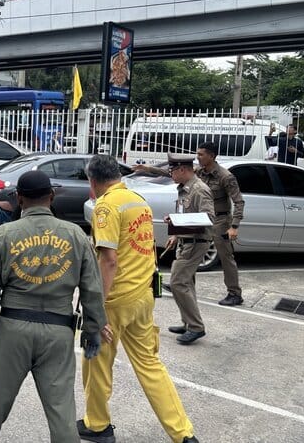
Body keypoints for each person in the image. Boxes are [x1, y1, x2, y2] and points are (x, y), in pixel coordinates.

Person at [0, 170, 107, 443]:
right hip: (58, 331)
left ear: (19, 199)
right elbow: (92, 289)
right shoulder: (75, 235)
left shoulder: (5, 234)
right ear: (52, 197)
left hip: (13, 330)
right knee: (61, 408)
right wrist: (93, 329)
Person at [79, 155, 199, 443]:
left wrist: (96, 310)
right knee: (150, 364)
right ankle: (183, 433)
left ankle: (98, 425)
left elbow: (108, 260)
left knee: (96, 363)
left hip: (115, 299)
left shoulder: (106, 206)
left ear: (92, 181)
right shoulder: (138, 201)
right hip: (143, 295)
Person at [164, 153, 214, 345]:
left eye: (172, 171)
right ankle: (188, 323)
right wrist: (175, 233)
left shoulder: (199, 190)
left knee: (177, 282)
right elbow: (184, 213)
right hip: (185, 241)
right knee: (187, 284)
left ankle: (196, 327)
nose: (170, 174)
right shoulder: (184, 189)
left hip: (196, 243)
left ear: (182, 169)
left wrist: (177, 221)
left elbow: (208, 218)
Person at [195, 142, 245, 306]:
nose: (198, 157)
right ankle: (183, 283)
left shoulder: (225, 176)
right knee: (190, 250)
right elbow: (176, 173)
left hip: (220, 221)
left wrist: (234, 226)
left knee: (226, 257)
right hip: (203, 219)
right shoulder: (200, 172)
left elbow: (239, 202)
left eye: (201, 154)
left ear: (211, 156)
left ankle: (235, 294)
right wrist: (148, 169)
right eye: (197, 154)